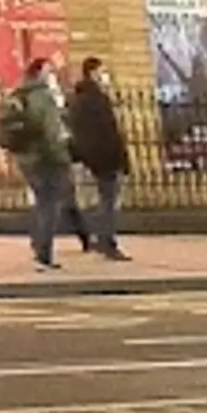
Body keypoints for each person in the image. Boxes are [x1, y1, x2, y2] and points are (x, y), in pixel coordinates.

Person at [0, 51, 79, 270]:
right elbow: (51, 131)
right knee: (50, 205)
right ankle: (44, 253)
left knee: (42, 202)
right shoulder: (42, 96)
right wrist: (62, 156)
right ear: (40, 74)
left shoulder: (19, 94)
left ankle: (38, 244)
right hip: (46, 157)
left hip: (26, 157)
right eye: (50, 72)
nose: (53, 76)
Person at [62, 53, 131, 261]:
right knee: (108, 202)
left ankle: (97, 237)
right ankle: (107, 242)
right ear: (93, 73)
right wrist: (121, 159)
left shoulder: (77, 100)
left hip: (89, 158)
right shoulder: (97, 99)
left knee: (99, 201)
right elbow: (108, 132)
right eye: (102, 72)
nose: (105, 76)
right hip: (106, 158)